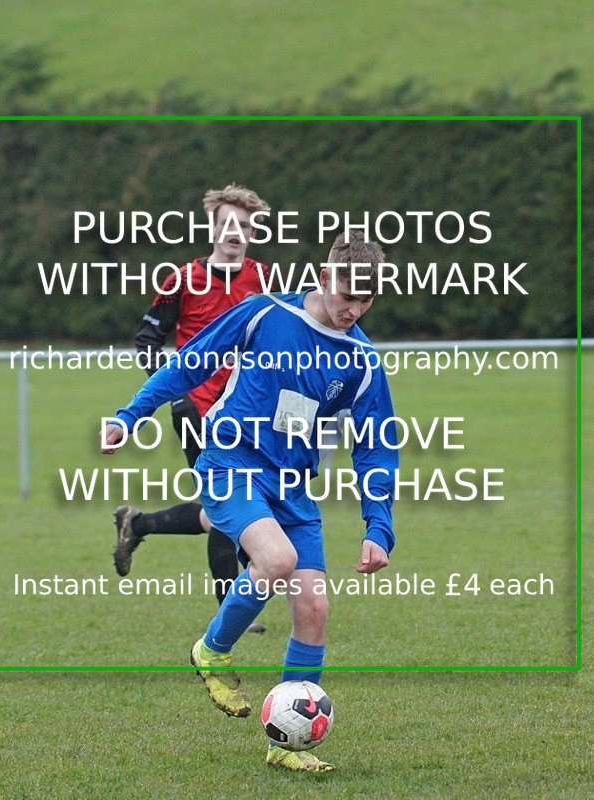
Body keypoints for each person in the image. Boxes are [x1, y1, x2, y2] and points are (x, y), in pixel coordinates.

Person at [102, 233, 398, 773]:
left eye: (366, 301)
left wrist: (378, 526)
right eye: (346, 296)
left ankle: (285, 748)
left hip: (291, 486)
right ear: (324, 276)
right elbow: (190, 363)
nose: (352, 310)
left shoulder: (361, 359)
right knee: (277, 560)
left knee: (313, 608)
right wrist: (130, 414)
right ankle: (211, 651)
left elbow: (377, 444)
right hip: (231, 463)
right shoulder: (266, 313)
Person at [112, 185, 271, 632]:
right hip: (196, 409)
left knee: (221, 505)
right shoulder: (182, 279)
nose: (235, 232)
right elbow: (147, 340)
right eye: (227, 223)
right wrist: (172, 394)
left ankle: (137, 523)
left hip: (245, 411)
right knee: (225, 506)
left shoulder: (264, 279)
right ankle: (231, 610)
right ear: (212, 227)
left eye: (244, 224)